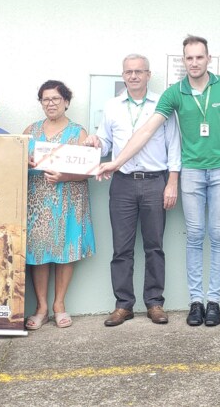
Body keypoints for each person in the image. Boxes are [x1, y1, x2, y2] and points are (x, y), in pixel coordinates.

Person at [96, 35, 220, 327]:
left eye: (199, 57)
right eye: (189, 58)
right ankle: (195, 302)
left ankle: (213, 301)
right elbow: (145, 132)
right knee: (194, 237)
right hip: (191, 172)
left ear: (208, 59)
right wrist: (116, 162)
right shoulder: (174, 93)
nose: (194, 62)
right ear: (184, 61)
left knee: (217, 237)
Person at [86, 54, 180, 327]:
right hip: (123, 183)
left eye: (139, 71)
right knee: (121, 248)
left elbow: (174, 146)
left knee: (154, 246)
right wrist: (95, 142)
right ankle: (123, 305)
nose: (134, 76)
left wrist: (171, 182)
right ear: (123, 75)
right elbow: (105, 142)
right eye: (129, 72)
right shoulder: (112, 106)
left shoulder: (163, 105)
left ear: (149, 75)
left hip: (155, 182)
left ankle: (154, 303)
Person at [24, 80, 96, 330]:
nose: (51, 103)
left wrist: (64, 176)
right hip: (38, 201)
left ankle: (59, 305)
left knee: (66, 252)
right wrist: (26, 162)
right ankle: (41, 307)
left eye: (56, 99)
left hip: (69, 198)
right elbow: (15, 161)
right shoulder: (30, 131)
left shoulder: (79, 133)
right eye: (45, 99)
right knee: (39, 254)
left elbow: (89, 171)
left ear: (66, 102)